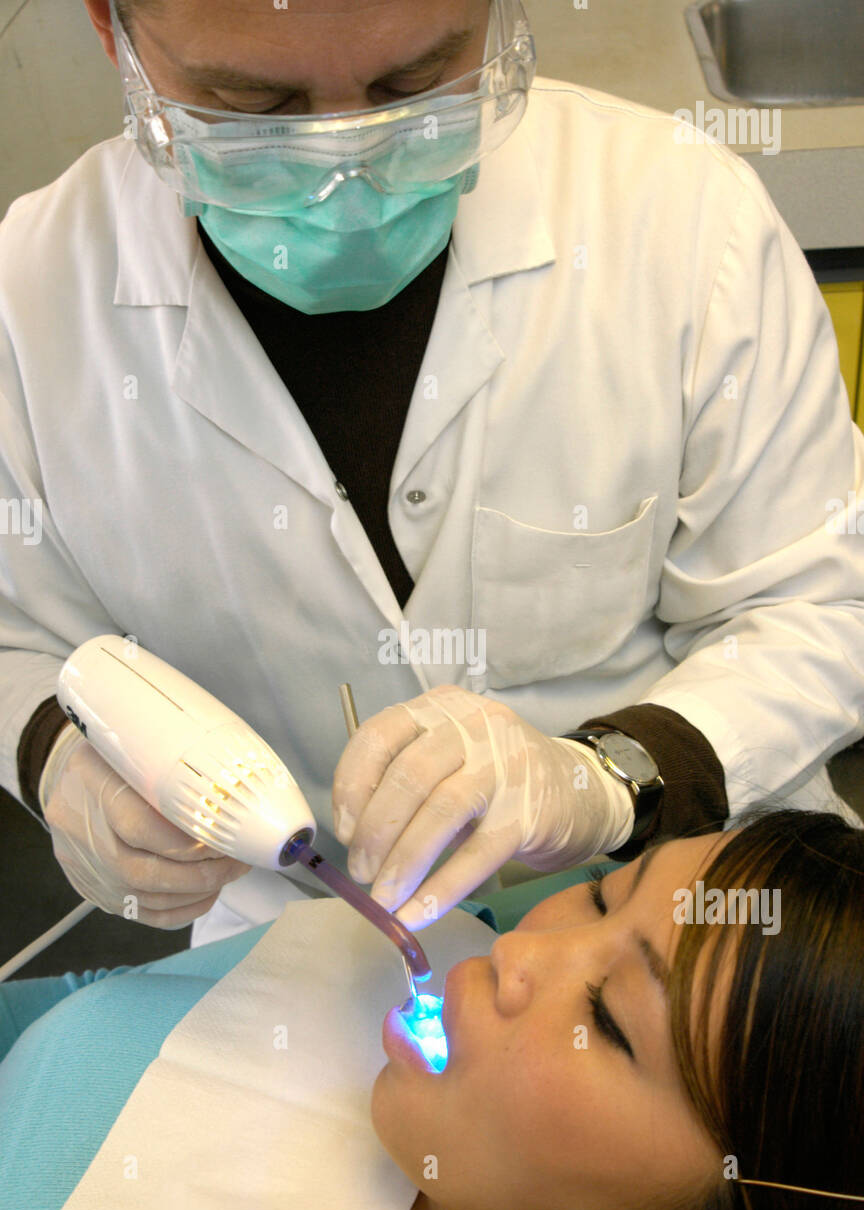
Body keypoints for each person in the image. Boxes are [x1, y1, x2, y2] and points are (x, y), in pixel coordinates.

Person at [1, 0, 862, 952]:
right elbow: (15, 637)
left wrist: (609, 780)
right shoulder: (32, 302)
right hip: (302, 948)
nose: (344, 164)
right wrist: (57, 760)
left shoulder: (684, 223)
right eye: (254, 105)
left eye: (413, 84)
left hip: (669, 918)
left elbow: (819, 606)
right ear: (111, 30)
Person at [1, 809, 862, 1210]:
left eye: (608, 1020)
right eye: (602, 894)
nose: (520, 954)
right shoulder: (439, 947)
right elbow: (102, 1004)